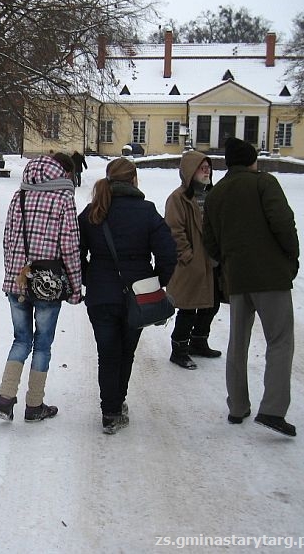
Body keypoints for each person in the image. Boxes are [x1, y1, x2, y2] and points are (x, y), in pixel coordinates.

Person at [203, 137, 299, 437]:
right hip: (271, 276)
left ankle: (237, 406)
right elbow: (283, 223)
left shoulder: (216, 193)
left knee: (238, 341)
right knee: (280, 341)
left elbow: (210, 240)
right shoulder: (264, 183)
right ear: (252, 160)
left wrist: (227, 260)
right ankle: (272, 409)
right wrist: (290, 256)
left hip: (236, 278)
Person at [78, 158, 176, 434]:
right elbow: (169, 253)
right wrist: (156, 282)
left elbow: (74, 252)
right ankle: (117, 404)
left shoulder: (92, 212)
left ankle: (110, 411)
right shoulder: (146, 212)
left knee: (107, 353)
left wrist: (89, 276)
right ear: (134, 180)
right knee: (126, 352)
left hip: (101, 295)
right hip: (138, 296)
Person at [0, 155, 83, 423]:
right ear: (64, 172)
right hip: (48, 284)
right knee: (42, 344)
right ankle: (34, 405)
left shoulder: (19, 195)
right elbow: (69, 245)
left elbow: (8, 238)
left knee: (21, 340)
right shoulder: (63, 198)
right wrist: (75, 287)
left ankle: (5, 399)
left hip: (17, 281)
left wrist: (12, 274)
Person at [164, 151, 222, 370]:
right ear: (190, 171)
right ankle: (179, 349)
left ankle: (199, 341)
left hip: (212, 261)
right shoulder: (178, 198)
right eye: (202, 167)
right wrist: (187, 254)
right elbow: (174, 230)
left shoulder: (213, 195)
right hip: (191, 263)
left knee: (211, 304)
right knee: (188, 307)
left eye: (208, 167)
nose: (206, 171)